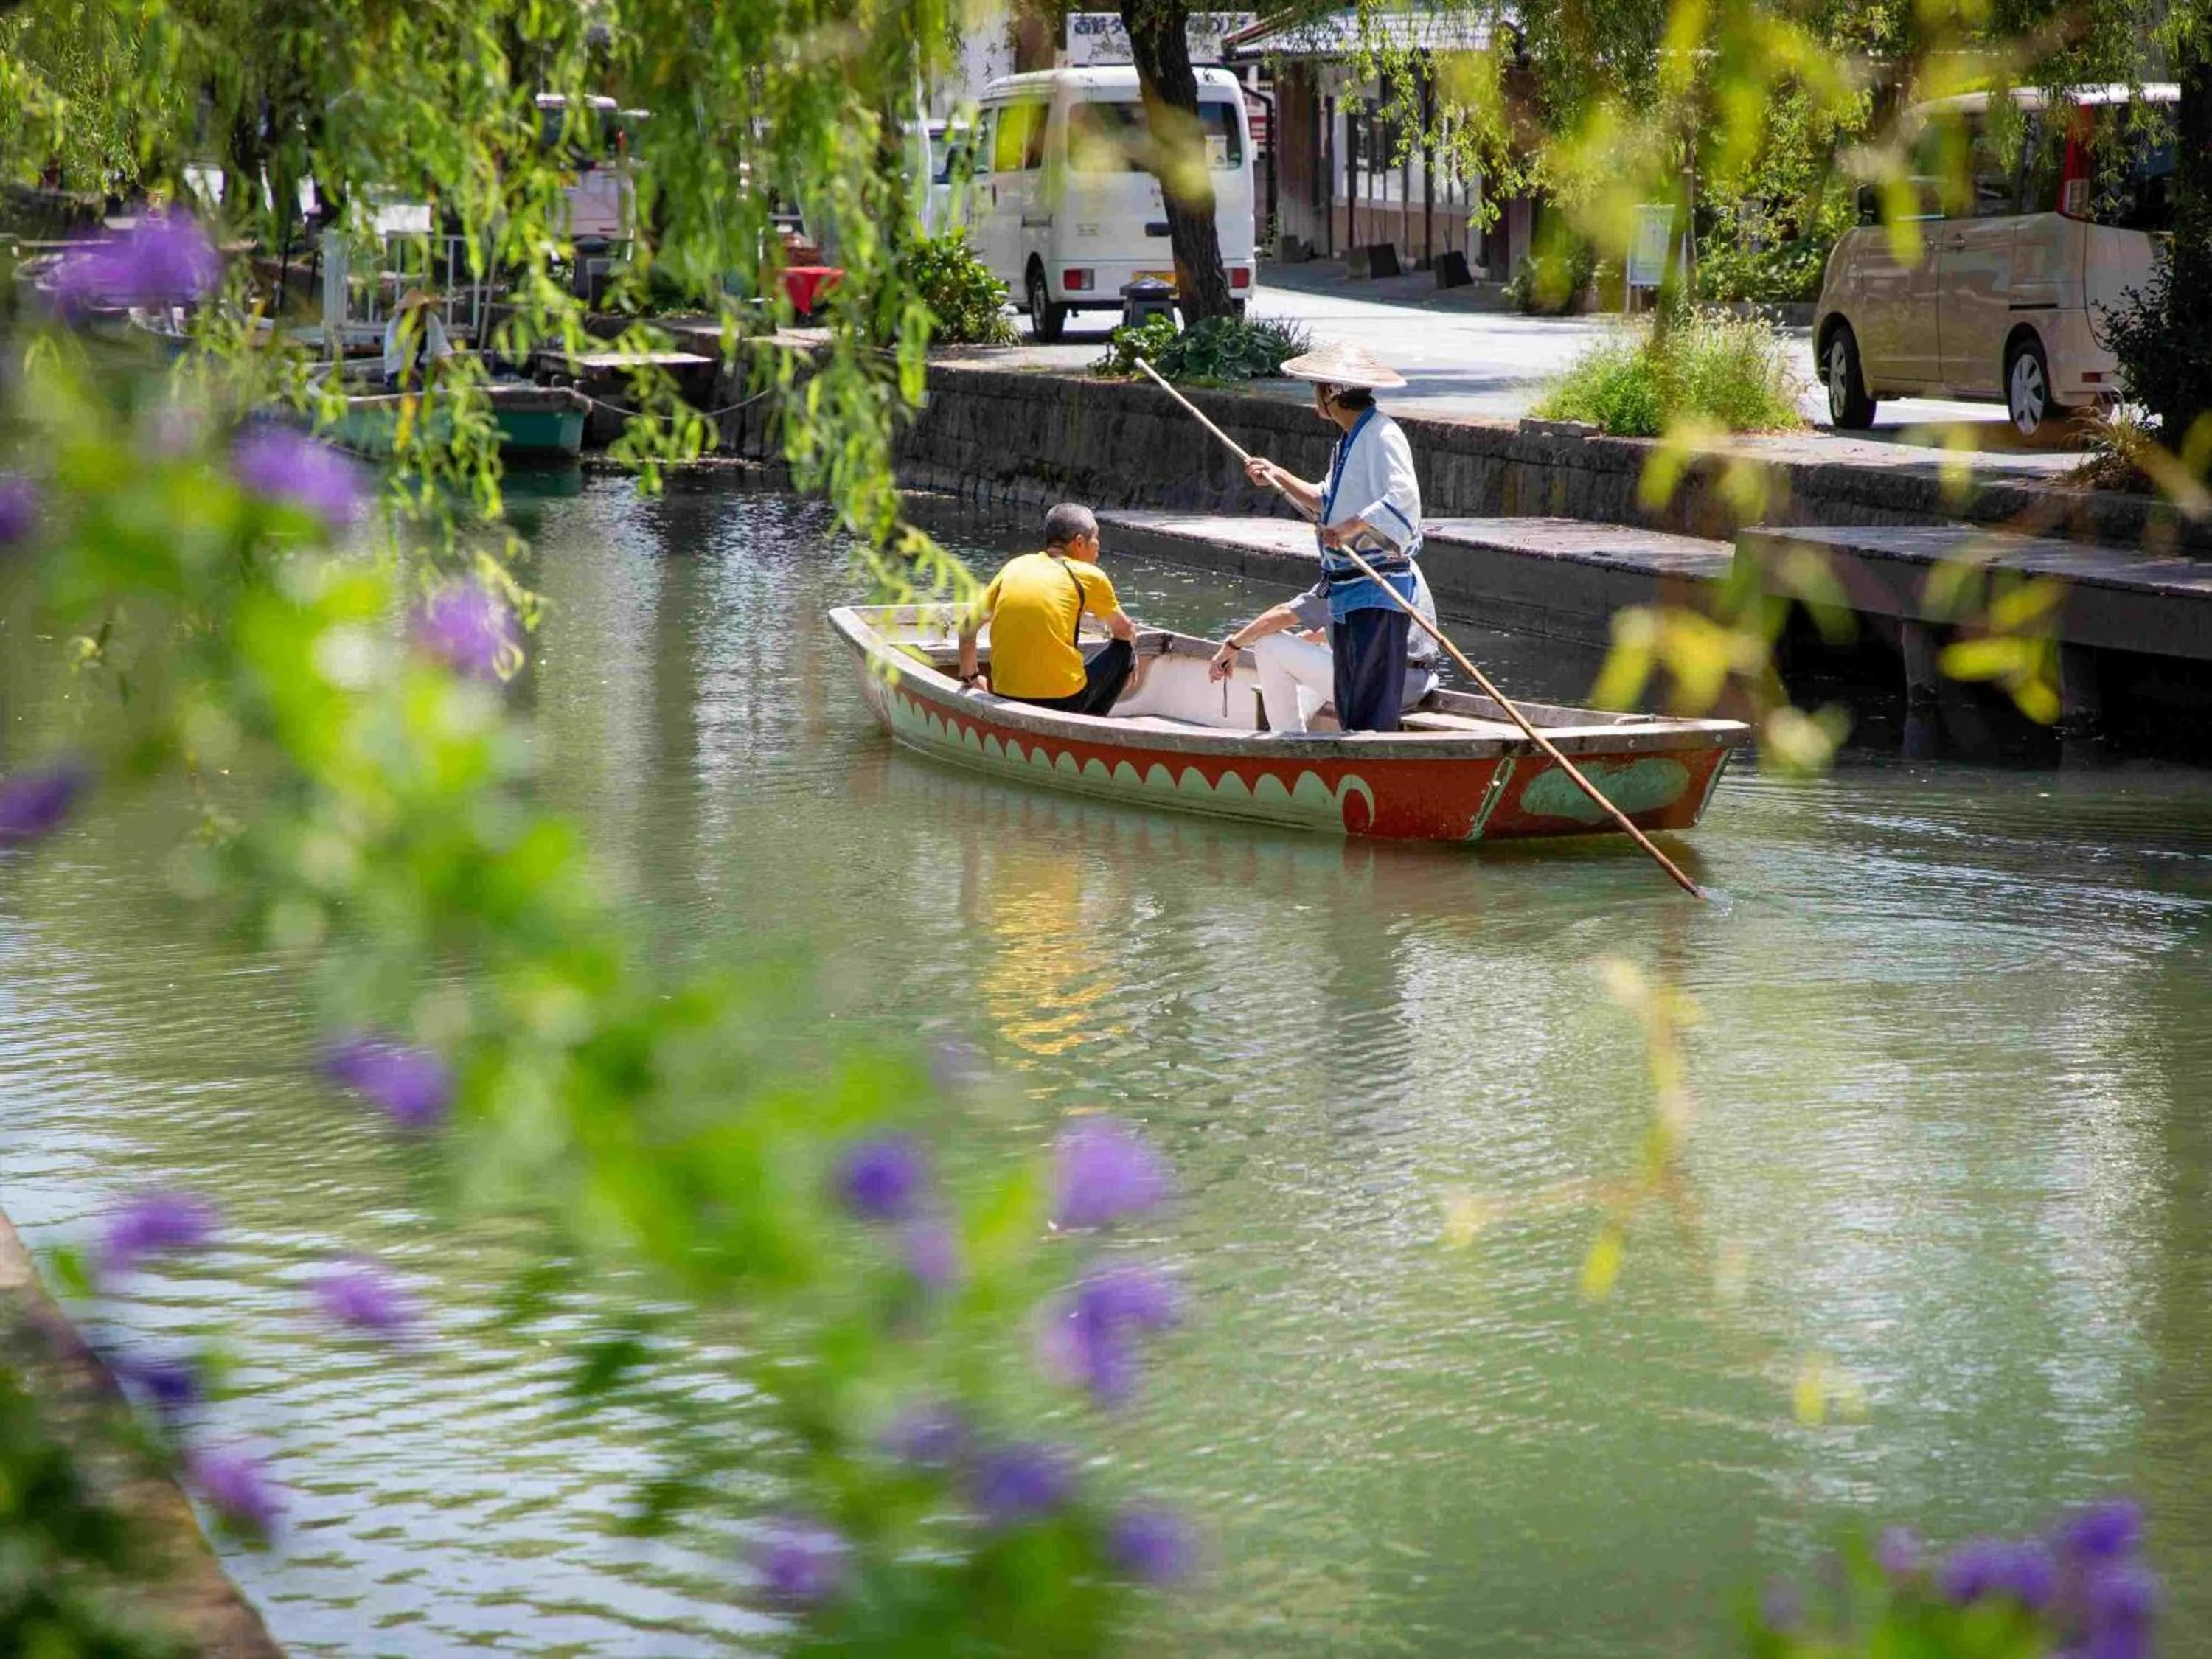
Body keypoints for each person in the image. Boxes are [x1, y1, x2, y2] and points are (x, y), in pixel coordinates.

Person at [1222, 340, 1422, 733]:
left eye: (1318, 387)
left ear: (1332, 392)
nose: (1315, 394)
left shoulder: (1383, 435)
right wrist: (1277, 474)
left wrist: (1351, 527)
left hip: (1377, 589)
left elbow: (1403, 496)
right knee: (1351, 696)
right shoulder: (1349, 441)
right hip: (1348, 591)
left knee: (1369, 700)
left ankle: (1372, 768)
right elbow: (1324, 500)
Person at [1209, 561, 1439, 732]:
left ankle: (1289, 743)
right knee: (1329, 653)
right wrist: (1301, 642)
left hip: (1379, 688)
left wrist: (1232, 645)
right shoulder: (1405, 565)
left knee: (1269, 644)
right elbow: (1356, 629)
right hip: (1418, 685)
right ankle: (1293, 725)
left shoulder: (1354, 568)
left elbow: (1285, 613)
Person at [956, 504, 1138, 715]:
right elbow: (1125, 631)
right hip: (1062, 702)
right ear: (1079, 542)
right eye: (1096, 539)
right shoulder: (1090, 576)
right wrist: (1131, 660)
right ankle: (1089, 723)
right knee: (1124, 651)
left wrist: (971, 678)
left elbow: (967, 628)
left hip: (1005, 695)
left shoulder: (1014, 567)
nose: (1098, 548)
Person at [381, 288, 454, 390]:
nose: (422, 313)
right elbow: (405, 366)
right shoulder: (395, 326)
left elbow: (444, 353)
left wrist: (439, 381)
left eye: (423, 309)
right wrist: (426, 385)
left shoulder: (432, 320)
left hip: (424, 368)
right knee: (412, 389)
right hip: (400, 374)